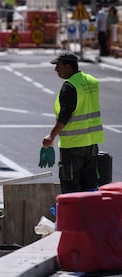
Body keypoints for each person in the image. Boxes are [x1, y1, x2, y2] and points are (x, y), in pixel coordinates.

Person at [42, 51, 105, 194]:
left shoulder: (70, 86)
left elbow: (65, 115)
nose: (56, 69)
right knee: (90, 184)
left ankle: (73, 215)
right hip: (91, 144)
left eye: (58, 65)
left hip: (73, 145)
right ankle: (90, 214)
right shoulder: (91, 82)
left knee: (71, 185)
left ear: (68, 66)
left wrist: (51, 136)